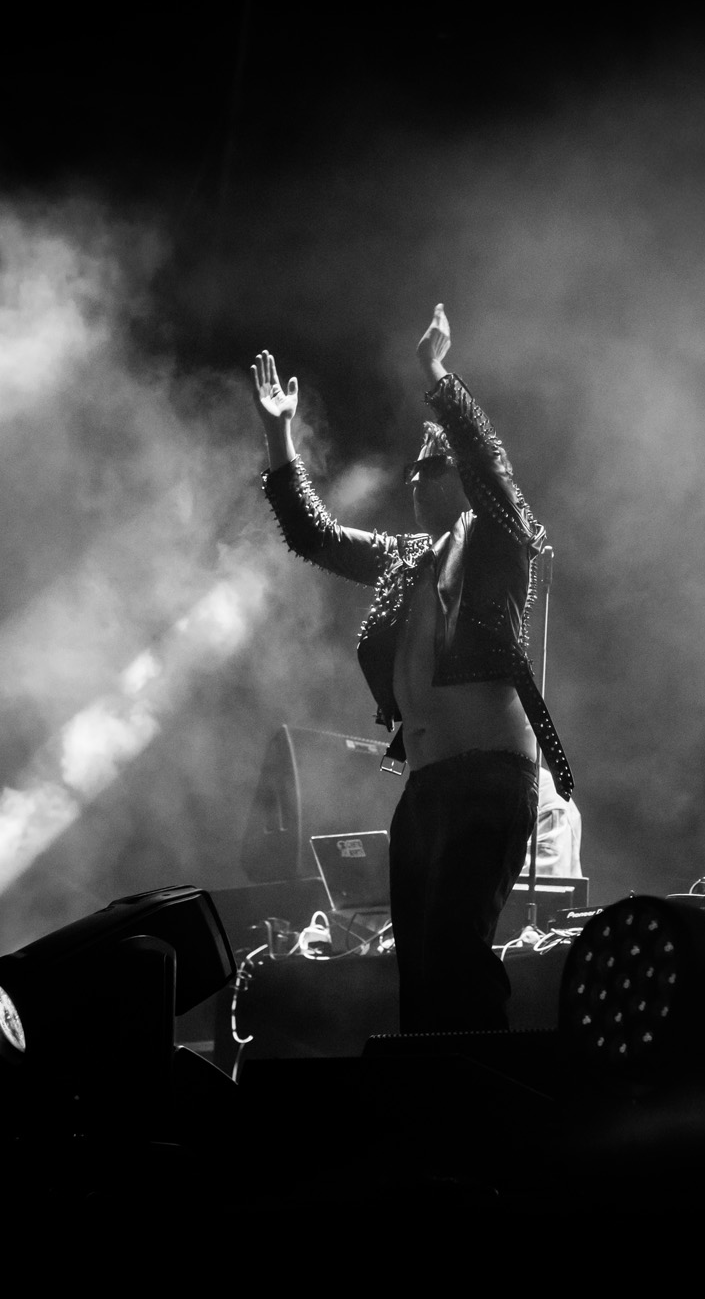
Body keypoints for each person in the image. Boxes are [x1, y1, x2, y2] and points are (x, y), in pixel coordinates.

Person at [252, 304, 573, 1031]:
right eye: (413, 474)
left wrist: (437, 377)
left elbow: (492, 467)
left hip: (489, 778)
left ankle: (480, 1086)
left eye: (430, 471)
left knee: (457, 956)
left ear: (462, 480)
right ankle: (427, 1090)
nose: (415, 484)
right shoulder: (405, 563)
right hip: (426, 787)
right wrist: (278, 436)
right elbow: (314, 536)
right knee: (418, 971)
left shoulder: (500, 547)